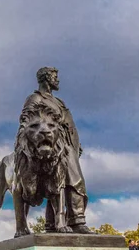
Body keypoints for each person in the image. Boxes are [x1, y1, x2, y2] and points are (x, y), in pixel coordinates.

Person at [18, 67, 91, 233]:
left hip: (65, 146)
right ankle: (77, 220)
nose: (57, 80)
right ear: (46, 78)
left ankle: (52, 224)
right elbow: (26, 122)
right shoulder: (35, 98)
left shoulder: (59, 102)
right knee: (74, 181)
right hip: (50, 148)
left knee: (62, 183)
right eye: (54, 77)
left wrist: (75, 143)